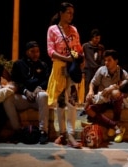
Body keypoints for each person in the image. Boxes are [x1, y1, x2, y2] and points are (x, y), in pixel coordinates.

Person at [46, 2, 84, 148]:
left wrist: (79, 58)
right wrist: (66, 58)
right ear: (61, 13)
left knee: (72, 102)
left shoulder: (74, 30)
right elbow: (50, 51)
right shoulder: (52, 30)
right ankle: (62, 134)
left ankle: (71, 135)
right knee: (60, 103)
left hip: (72, 69)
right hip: (59, 68)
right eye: (68, 12)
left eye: (72, 13)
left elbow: (79, 48)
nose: (71, 15)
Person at [3, 41, 50, 144]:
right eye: (32, 51)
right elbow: (16, 81)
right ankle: (18, 131)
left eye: (37, 51)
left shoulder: (43, 65)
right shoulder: (18, 64)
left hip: (37, 97)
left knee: (44, 95)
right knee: (8, 99)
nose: (35, 54)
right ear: (26, 52)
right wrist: (25, 91)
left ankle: (43, 132)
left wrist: (38, 88)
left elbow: (46, 81)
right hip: (24, 97)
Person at [85, 49, 128, 143]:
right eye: (105, 60)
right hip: (103, 100)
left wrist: (114, 89)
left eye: (109, 60)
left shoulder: (123, 73)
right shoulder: (101, 70)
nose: (106, 62)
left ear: (116, 61)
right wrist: (90, 91)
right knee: (89, 109)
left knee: (116, 93)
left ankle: (116, 121)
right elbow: (92, 83)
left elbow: (126, 93)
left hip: (116, 101)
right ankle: (115, 126)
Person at [82, 28, 105, 100]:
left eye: (99, 38)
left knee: (97, 87)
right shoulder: (85, 46)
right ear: (92, 37)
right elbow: (82, 59)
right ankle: (86, 102)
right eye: (96, 38)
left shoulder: (101, 47)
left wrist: (101, 69)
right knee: (87, 86)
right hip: (88, 69)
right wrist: (82, 71)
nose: (97, 40)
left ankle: (95, 102)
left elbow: (102, 59)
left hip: (97, 70)